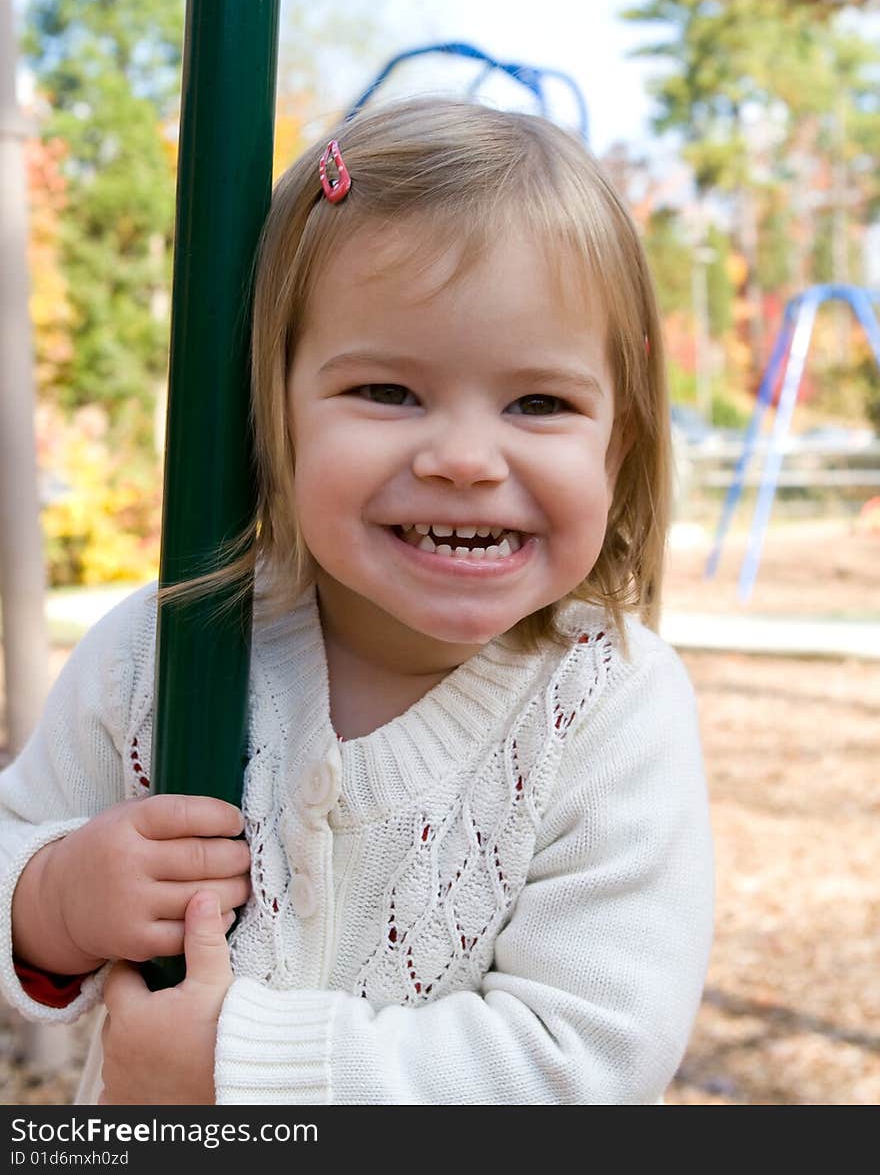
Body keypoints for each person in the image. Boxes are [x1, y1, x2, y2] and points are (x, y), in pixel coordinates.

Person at [0, 97, 714, 1105]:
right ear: (274, 412)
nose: (464, 458)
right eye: (387, 391)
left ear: (620, 438)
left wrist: (233, 1065)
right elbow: (13, 834)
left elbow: (585, 1054)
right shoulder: (165, 651)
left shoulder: (603, 705)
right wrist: (52, 896)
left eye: (538, 403)